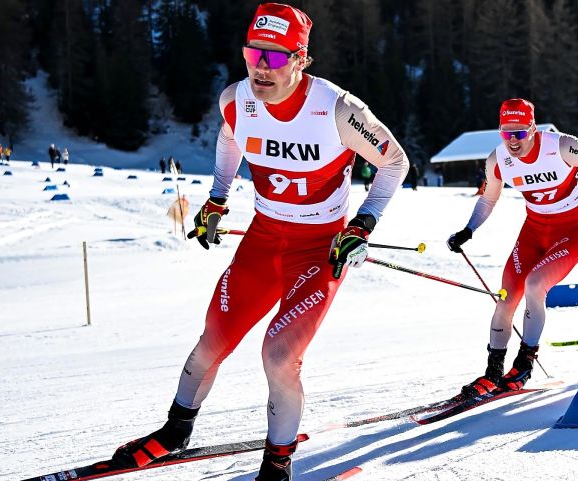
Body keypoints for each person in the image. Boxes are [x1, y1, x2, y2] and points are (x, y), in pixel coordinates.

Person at [110, 4, 409, 481]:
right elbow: (230, 142)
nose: (261, 68)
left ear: (301, 59)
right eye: (253, 54)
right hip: (263, 239)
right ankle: (175, 431)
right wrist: (216, 200)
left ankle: (277, 463)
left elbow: (395, 163)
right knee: (213, 340)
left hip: (318, 249)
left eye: (275, 57)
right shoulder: (236, 99)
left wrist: (363, 224)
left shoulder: (338, 109)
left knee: (278, 354)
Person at [447, 98, 578, 398]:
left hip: (571, 232)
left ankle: (524, 362)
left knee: (535, 284)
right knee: (505, 297)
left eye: (519, 133)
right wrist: (469, 229)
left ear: (532, 127)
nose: (512, 141)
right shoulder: (498, 160)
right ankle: (492, 373)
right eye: (506, 133)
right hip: (533, 232)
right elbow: (489, 198)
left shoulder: (561, 146)